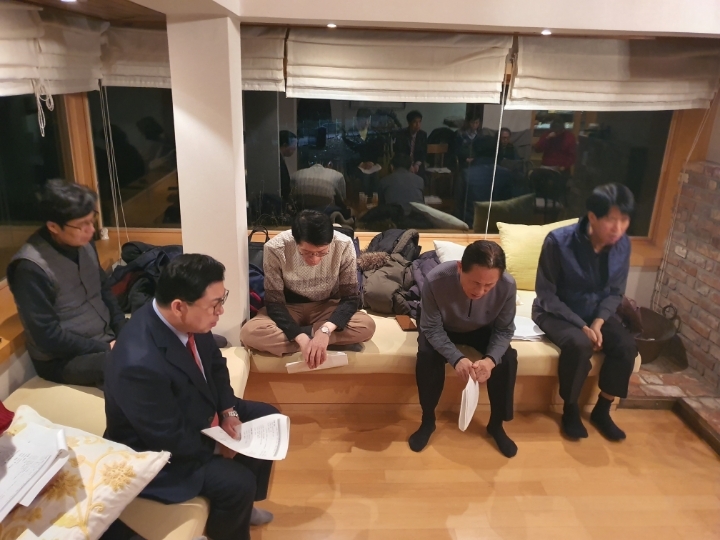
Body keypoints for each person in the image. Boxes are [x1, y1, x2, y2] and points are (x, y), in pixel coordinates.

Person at [104, 254, 278, 540]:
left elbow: (216, 366)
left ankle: (242, 510)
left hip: (197, 410)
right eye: (215, 304)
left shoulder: (190, 321)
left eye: (222, 299)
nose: (221, 311)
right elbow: (166, 437)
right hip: (155, 452)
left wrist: (229, 412)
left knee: (267, 417)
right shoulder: (138, 362)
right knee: (238, 482)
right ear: (178, 306)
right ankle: (232, 519)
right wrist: (220, 447)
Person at [533, 183, 637, 441]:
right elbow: (546, 294)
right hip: (556, 312)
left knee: (626, 346)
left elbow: (616, 292)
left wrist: (599, 322)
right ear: (592, 217)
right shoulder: (558, 241)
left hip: (596, 312)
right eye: (611, 220)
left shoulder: (623, 245)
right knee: (579, 345)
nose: (618, 228)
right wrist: (582, 325)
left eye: (624, 220)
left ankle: (603, 410)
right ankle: (570, 410)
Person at [7, 180, 126, 386]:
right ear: (53, 226)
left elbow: (103, 290)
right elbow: (48, 337)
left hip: (105, 337)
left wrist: (123, 330)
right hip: (63, 359)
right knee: (131, 365)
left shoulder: (83, 241)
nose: (91, 230)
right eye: (82, 225)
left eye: (92, 219)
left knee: (155, 335)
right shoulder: (29, 268)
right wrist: (106, 348)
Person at [409, 241, 518, 458]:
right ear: (460, 267)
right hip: (442, 327)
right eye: (475, 282)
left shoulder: (507, 285)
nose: (480, 291)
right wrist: (456, 358)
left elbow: (504, 330)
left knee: (507, 358)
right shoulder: (436, 280)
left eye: (489, 285)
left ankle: (496, 424)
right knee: (427, 356)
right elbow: (431, 327)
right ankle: (428, 420)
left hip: (481, 327)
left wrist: (490, 361)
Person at [241, 210, 376, 367]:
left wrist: (325, 330)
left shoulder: (344, 244)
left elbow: (350, 298)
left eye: (322, 253)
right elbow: (274, 303)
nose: (315, 259)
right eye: (306, 252)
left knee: (366, 325)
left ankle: (313, 340)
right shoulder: (276, 248)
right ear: (295, 241)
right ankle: (315, 343)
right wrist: (300, 336)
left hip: (326, 306)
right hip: (288, 307)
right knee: (249, 333)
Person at [455, 136, 514, 226]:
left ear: (474, 151)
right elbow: (511, 206)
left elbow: (458, 207)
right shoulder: (507, 174)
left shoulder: (465, 174)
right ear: (497, 152)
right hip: (498, 226)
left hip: (470, 225)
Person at [343, 108, 385, 196]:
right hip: (355, 165)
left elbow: (377, 152)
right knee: (365, 177)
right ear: (358, 120)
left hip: (371, 165)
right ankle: (363, 200)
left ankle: (374, 201)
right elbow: (349, 154)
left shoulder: (374, 134)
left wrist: (372, 162)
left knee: (375, 175)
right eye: (363, 120)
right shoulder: (350, 134)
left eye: (368, 120)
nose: (366, 122)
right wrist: (361, 163)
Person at [394, 110, 427, 176]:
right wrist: (408, 165)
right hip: (403, 163)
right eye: (415, 122)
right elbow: (400, 152)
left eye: (419, 122)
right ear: (409, 123)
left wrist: (417, 164)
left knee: (422, 176)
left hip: (417, 163)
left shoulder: (423, 135)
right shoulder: (401, 134)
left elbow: (423, 153)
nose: (418, 125)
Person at [279, 130, 298, 201]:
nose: (295, 149)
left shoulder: (280, 159)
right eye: (293, 146)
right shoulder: (277, 161)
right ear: (285, 145)